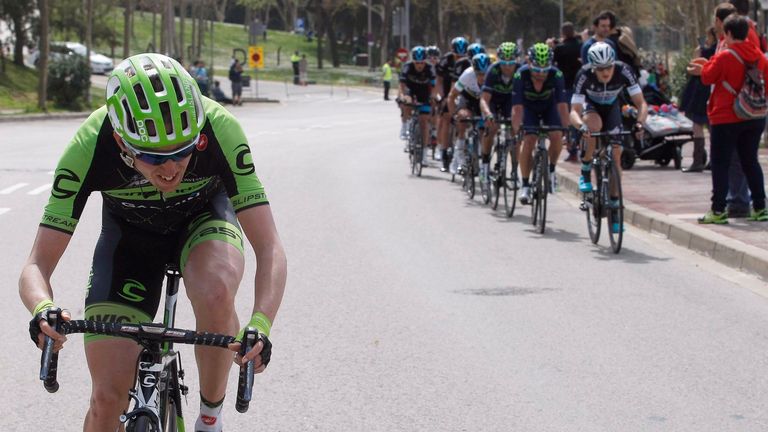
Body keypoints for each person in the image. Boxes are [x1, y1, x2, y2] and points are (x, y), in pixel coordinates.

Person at [20, 53, 287, 432]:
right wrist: (42, 307)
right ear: (120, 141)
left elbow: (269, 246)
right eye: (153, 157)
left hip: (203, 220)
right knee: (105, 400)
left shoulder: (221, 128)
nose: (170, 168)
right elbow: (36, 264)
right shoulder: (88, 146)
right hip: (130, 239)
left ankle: (210, 418)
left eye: (182, 152)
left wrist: (260, 323)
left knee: (214, 290)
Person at [689, 14, 768, 224]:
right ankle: (760, 207)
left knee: (721, 163)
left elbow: (707, 78)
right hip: (754, 116)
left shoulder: (725, 55)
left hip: (726, 116)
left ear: (729, 33)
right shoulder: (760, 57)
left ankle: (718, 210)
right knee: (750, 161)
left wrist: (704, 66)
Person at [570, 42, 648, 233]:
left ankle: (614, 207)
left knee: (616, 155)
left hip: (612, 107)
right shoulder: (584, 74)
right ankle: (586, 168)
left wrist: (640, 123)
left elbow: (641, 103)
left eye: (609, 67)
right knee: (593, 126)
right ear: (593, 67)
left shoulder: (624, 71)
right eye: (601, 69)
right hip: (592, 108)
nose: (605, 72)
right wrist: (581, 126)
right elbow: (574, 111)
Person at [511, 42, 570, 202]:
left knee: (556, 134)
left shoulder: (556, 75)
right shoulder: (520, 75)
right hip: (528, 108)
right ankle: (525, 184)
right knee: (529, 140)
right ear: (529, 63)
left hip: (548, 107)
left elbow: (562, 105)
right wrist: (517, 131)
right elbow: (516, 108)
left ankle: (551, 171)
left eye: (545, 70)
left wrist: (567, 129)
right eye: (537, 70)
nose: (541, 74)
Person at [481, 42, 520, 183]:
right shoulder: (493, 70)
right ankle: (485, 165)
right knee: (491, 129)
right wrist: (488, 114)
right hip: (493, 101)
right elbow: (484, 99)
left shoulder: (520, 71)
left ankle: (515, 171)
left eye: (511, 63)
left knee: (516, 134)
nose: (508, 67)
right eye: (504, 63)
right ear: (499, 60)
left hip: (511, 101)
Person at [447, 52, 491, 177]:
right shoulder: (467, 74)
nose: (483, 77)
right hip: (468, 99)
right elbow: (452, 96)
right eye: (479, 74)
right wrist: (454, 115)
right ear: (474, 71)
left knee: (485, 130)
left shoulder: (493, 75)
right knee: (463, 119)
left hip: (484, 100)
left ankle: (484, 163)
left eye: (485, 74)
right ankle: (458, 156)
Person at [680, 27, 717, 172]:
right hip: (712, 89)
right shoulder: (720, 50)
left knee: (697, 126)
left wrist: (698, 51)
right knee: (712, 127)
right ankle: (713, 160)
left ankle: (697, 161)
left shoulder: (704, 51)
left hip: (700, 90)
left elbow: (692, 67)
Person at [435, 36, 470, 172]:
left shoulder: (468, 63)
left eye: (462, 55)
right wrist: (441, 96)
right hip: (447, 89)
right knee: (446, 118)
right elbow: (438, 80)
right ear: (452, 51)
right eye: (456, 55)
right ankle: (443, 151)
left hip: (463, 91)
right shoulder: (445, 60)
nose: (459, 58)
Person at [398, 45, 437, 161]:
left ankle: (424, 153)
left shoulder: (430, 68)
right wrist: (402, 95)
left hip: (424, 92)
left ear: (425, 61)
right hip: (410, 90)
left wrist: (433, 97)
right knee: (406, 101)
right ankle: (406, 124)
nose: (419, 65)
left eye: (422, 63)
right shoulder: (407, 67)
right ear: (413, 61)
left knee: (424, 121)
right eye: (416, 63)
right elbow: (401, 85)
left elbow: (434, 86)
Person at [554, 21, 584, 162]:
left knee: (567, 118)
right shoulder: (580, 45)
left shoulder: (559, 48)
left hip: (564, 86)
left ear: (562, 33)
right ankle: (578, 144)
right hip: (579, 85)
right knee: (578, 115)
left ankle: (571, 148)